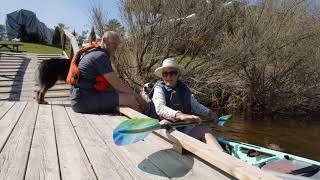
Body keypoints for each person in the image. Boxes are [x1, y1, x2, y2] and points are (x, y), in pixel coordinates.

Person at [148, 58, 223, 151]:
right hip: (165, 128)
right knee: (165, 124)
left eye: (172, 73)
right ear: (162, 76)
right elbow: (160, 108)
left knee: (205, 130)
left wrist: (209, 113)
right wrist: (180, 115)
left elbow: (196, 106)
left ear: (178, 74)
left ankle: (223, 155)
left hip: (182, 128)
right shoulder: (159, 89)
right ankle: (180, 148)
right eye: (165, 74)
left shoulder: (184, 89)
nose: (168, 76)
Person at [70, 31, 147, 113]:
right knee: (131, 99)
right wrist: (139, 98)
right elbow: (117, 85)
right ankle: (147, 123)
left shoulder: (93, 51)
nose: (116, 47)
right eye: (114, 44)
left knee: (123, 95)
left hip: (81, 97)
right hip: (83, 100)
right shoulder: (100, 56)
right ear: (104, 40)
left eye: (118, 44)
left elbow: (114, 84)